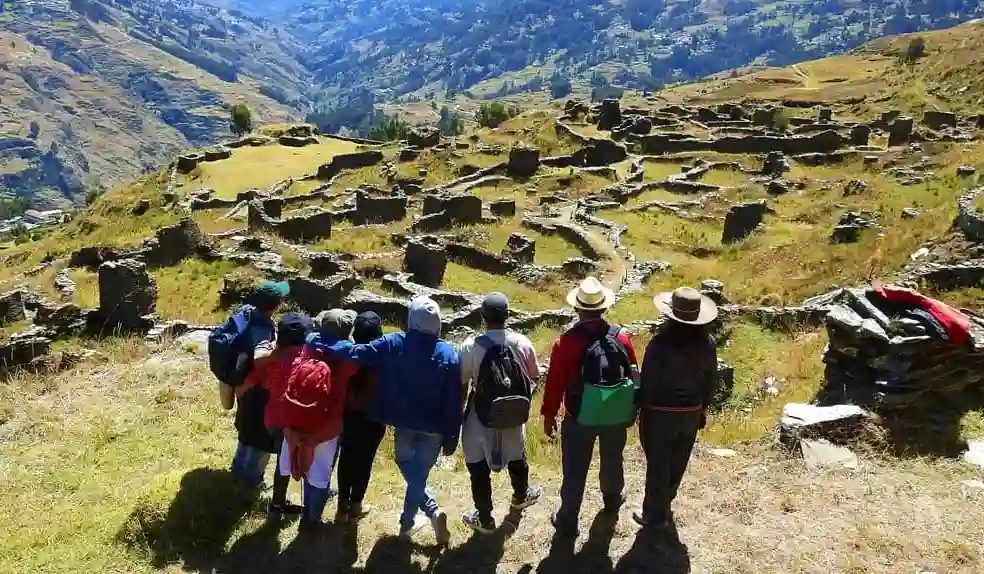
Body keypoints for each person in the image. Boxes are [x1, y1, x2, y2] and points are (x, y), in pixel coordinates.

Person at [312, 296, 461, 545]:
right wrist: (452, 434)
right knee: (418, 475)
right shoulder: (448, 353)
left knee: (407, 468)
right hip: (434, 427)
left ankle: (425, 514)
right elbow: (453, 399)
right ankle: (409, 523)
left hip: (402, 421)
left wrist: (320, 341)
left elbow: (356, 352)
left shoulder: (395, 342)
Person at [541, 277, 640, 537]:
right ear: (604, 307)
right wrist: (632, 408)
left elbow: (554, 384)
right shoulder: (621, 337)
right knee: (612, 459)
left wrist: (549, 415)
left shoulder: (566, 343)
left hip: (579, 415)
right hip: (615, 412)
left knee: (574, 468)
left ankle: (568, 519)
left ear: (577, 308)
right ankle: (612, 499)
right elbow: (635, 376)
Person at [633, 287, 719, 529]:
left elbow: (648, 380)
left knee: (658, 463)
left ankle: (654, 514)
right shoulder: (708, 344)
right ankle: (665, 502)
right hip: (691, 411)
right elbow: (710, 380)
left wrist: (641, 408)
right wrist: (703, 408)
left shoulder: (659, 344)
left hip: (660, 411)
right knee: (679, 460)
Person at [458, 293, 542, 534]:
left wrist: (459, 413)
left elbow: (461, 383)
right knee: (517, 457)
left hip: (480, 416)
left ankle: (485, 518)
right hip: (513, 414)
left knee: (478, 468)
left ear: (482, 317)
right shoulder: (522, 343)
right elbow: (534, 376)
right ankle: (521, 495)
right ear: (508, 316)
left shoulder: (470, 347)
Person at [280, 309, 359, 529]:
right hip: (327, 424)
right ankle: (312, 519)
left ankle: (306, 512)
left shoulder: (308, 348)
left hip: (297, 419)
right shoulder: (348, 359)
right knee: (320, 474)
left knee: (307, 467)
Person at [217, 280, 291, 488]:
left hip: (242, 384)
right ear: (276, 305)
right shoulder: (262, 329)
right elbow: (260, 360)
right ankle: (251, 481)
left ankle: (238, 469)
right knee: (261, 438)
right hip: (257, 388)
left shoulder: (246, 314)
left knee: (247, 430)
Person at [245, 312, 314, 518]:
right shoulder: (308, 358)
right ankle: (283, 506)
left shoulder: (271, 357)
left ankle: (278, 503)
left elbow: (256, 378)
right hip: (293, 420)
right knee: (294, 461)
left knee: (283, 462)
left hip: (272, 418)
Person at [334, 311, 387, 524]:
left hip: (348, 414)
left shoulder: (348, 354)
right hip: (374, 417)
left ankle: (342, 505)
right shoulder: (385, 359)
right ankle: (356, 505)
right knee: (365, 460)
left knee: (346, 457)